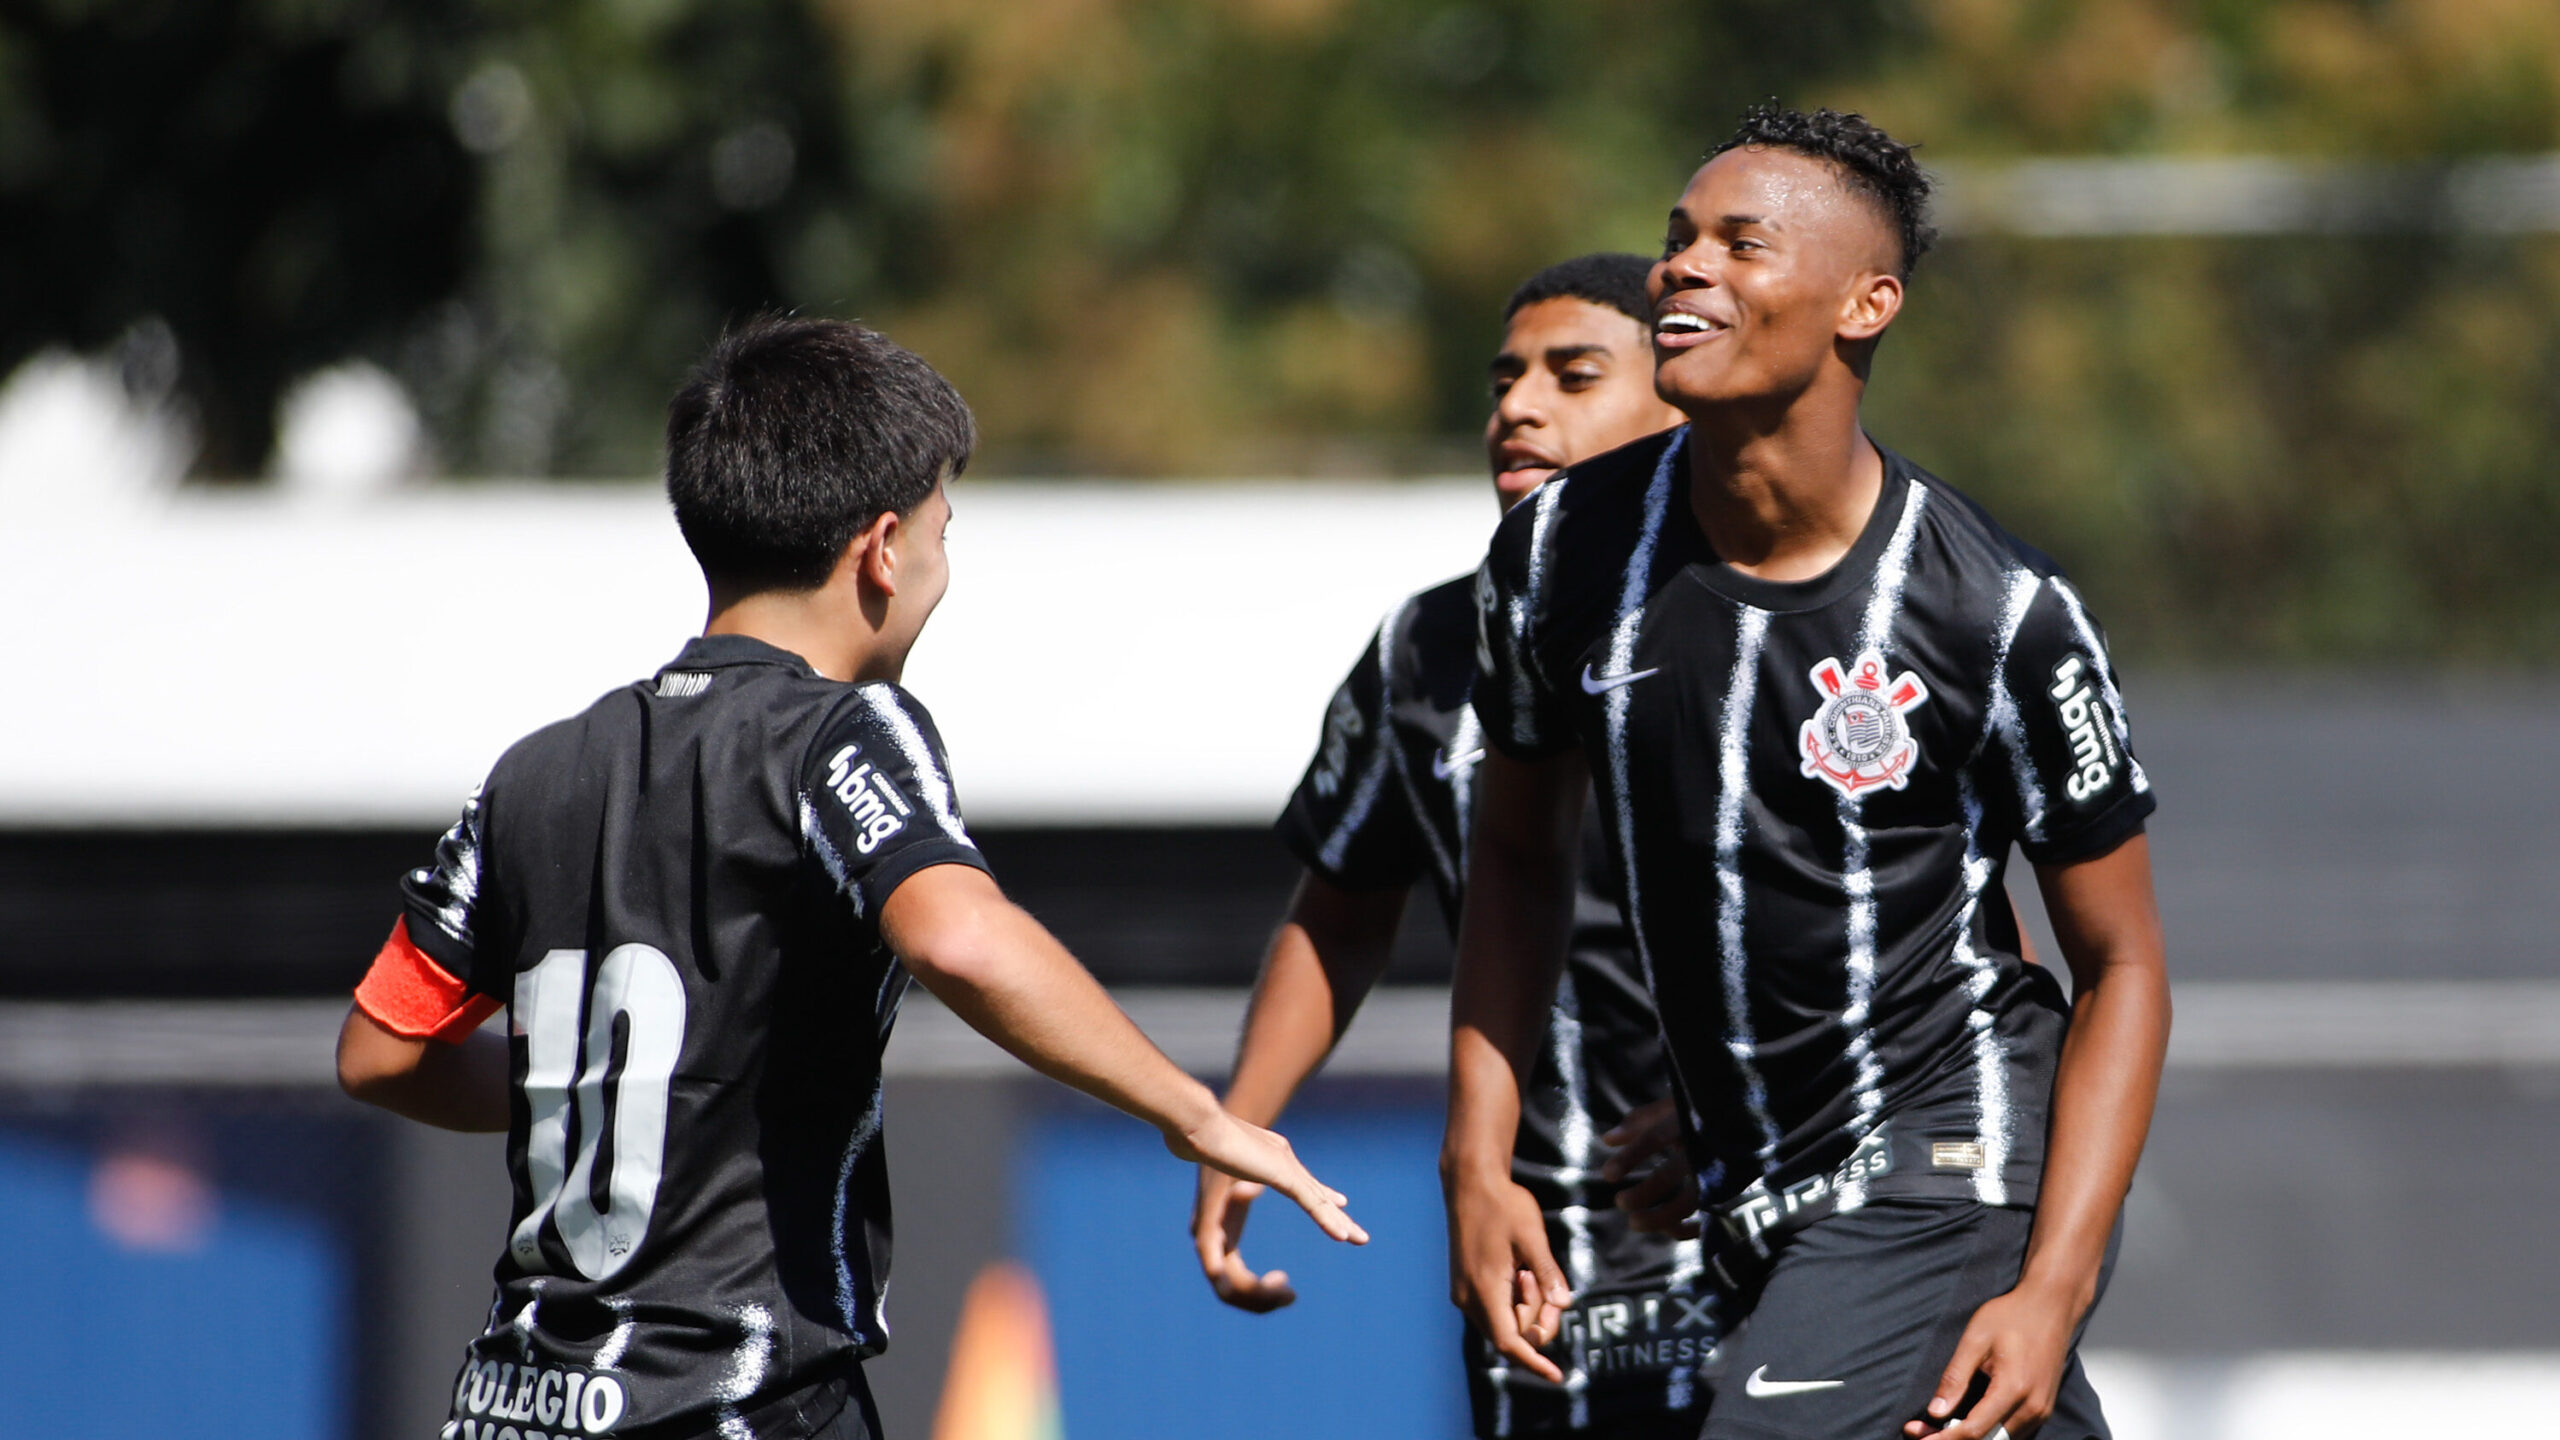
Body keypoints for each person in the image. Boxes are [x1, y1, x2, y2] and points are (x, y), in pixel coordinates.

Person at [336, 317, 1365, 1440]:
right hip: (736, 1406)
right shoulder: (840, 733)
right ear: (883, 548)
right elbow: (960, 937)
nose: (941, 567)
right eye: (942, 530)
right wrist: (1191, 1110)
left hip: (508, 1408)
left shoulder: (536, 770)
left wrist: (601, 1101)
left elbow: (383, 1051)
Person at [1445, 106, 2171, 1440]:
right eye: (1676, 242)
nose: (1682, 270)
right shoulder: (1556, 559)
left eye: (1740, 244)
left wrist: (2052, 1287)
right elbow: (1519, 853)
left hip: (1952, 1160)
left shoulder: (1994, 612)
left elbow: (2122, 970)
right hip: (1747, 1177)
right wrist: (1478, 1158)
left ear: (1865, 304)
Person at [1192, 253, 1706, 1439]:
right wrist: (1242, 1125)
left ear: (1681, 399)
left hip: (1768, 1222)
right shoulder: (1426, 647)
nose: (1517, 407)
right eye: (1504, 379)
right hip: (1537, 1241)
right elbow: (1339, 912)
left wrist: (1752, 1105)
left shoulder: (1757, 613)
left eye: (1573, 376)